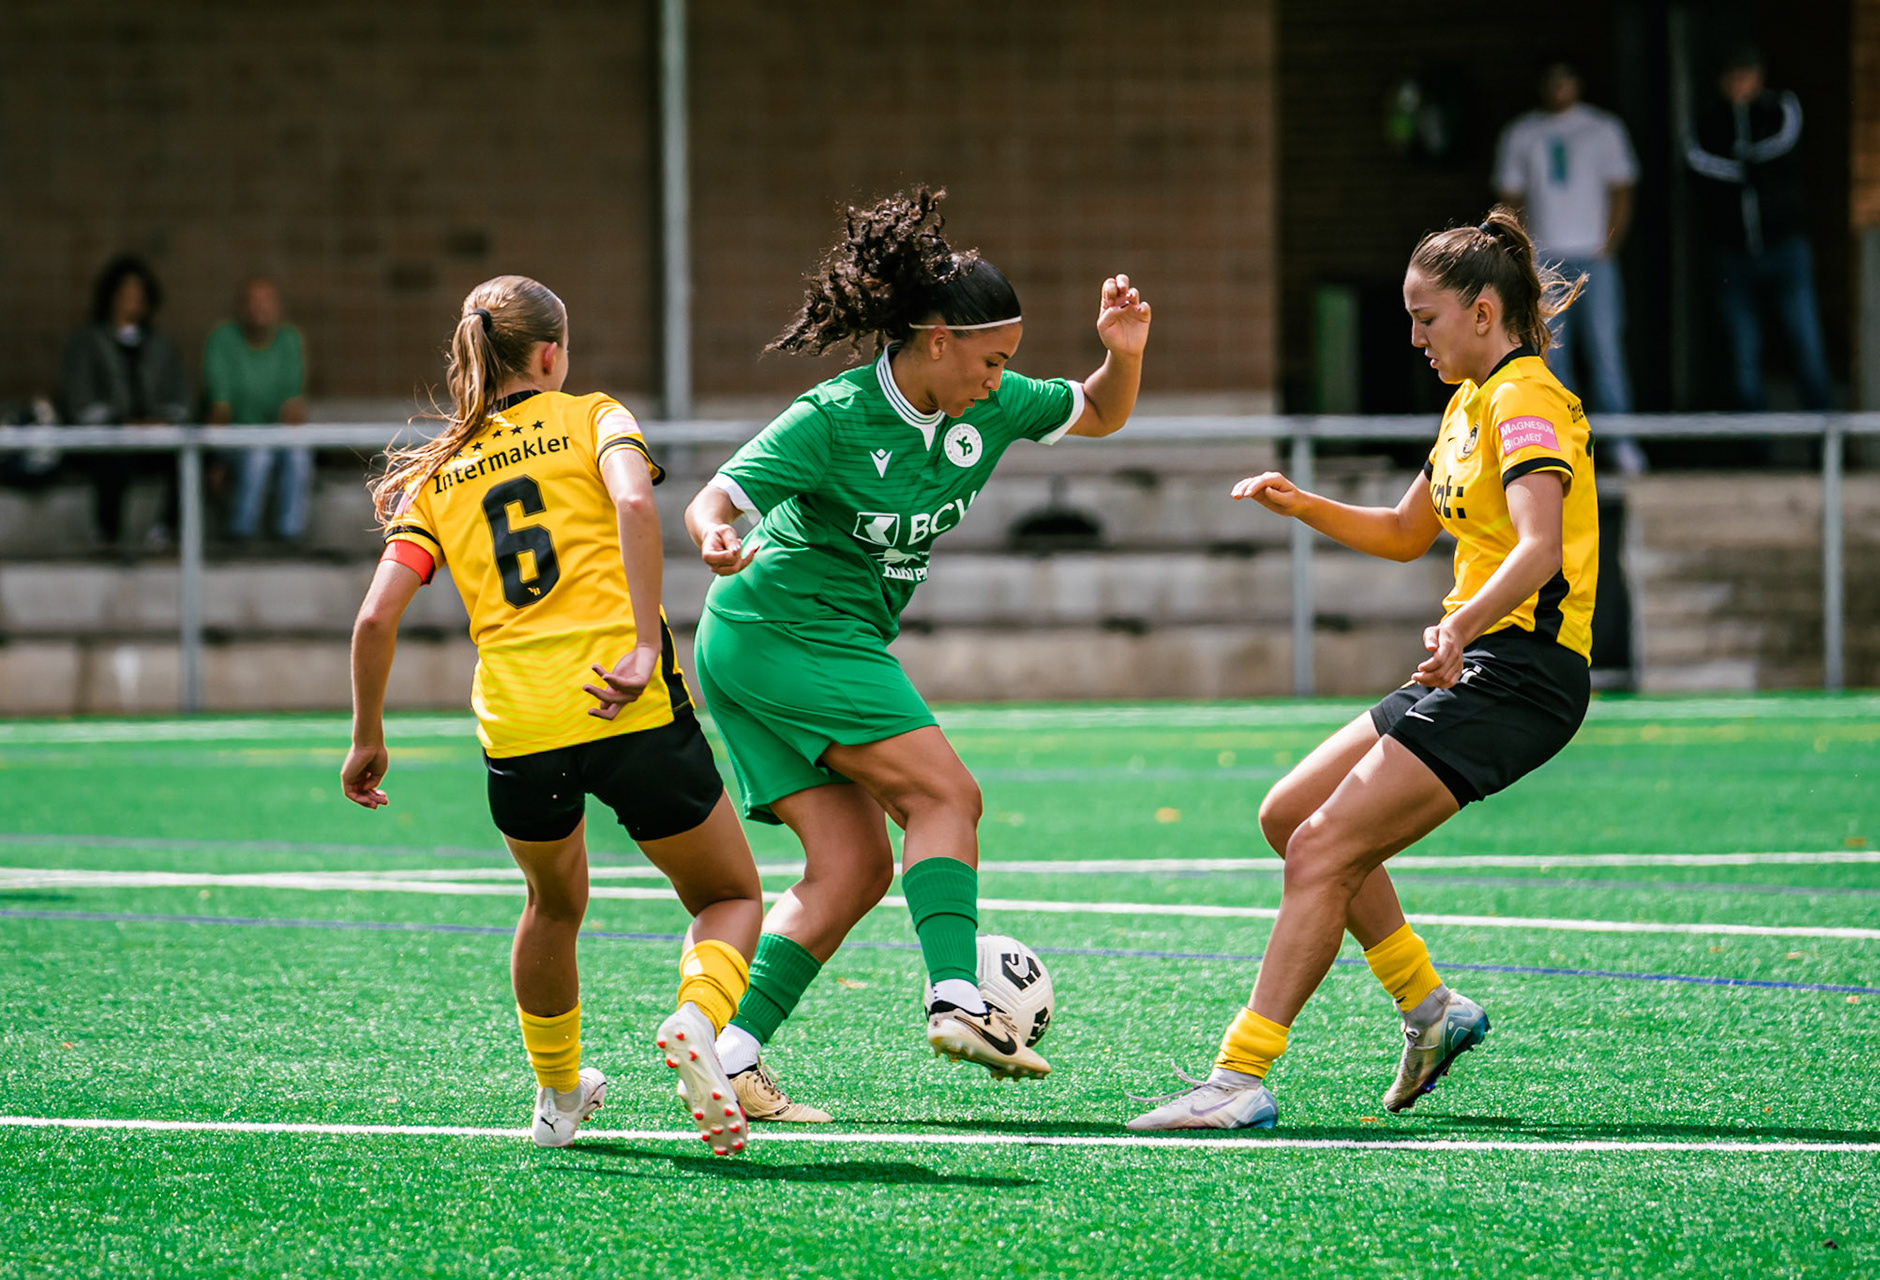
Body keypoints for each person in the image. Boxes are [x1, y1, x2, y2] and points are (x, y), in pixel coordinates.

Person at [683, 187, 1150, 1121]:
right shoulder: (834, 415)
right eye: (990, 358)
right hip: (781, 626)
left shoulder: (993, 402)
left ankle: (728, 1052)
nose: (1000, 377)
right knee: (947, 796)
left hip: (798, 640)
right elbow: (717, 497)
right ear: (936, 339)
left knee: (851, 870)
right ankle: (957, 1000)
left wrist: (1123, 354)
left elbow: (1099, 413)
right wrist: (711, 536)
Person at [1128, 208, 1596, 1130]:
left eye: (1427, 318)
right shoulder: (1470, 403)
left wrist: (1460, 624)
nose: (1415, 336)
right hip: (1483, 661)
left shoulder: (1526, 399)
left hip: (1524, 673)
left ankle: (1240, 1078)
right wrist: (1301, 504)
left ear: (1483, 311)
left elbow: (1540, 547)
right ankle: (1430, 1008)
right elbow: (1403, 532)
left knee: (1321, 848)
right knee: (1291, 815)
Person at [341, 275, 763, 1156]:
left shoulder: (441, 471)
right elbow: (636, 501)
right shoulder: (592, 416)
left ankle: (560, 1098)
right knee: (728, 893)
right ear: (549, 355)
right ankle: (696, 1018)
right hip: (624, 698)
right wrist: (645, 644)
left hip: (520, 723)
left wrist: (368, 736)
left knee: (551, 903)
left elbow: (376, 616)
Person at [1494, 61, 1644, 474]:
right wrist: (1521, 255)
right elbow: (1509, 200)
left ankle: (1620, 442)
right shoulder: (1523, 133)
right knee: (1549, 355)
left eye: (1566, 79)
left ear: (1578, 83)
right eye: (1552, 81)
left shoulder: (1603, 128)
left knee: (1606, 349)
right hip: (1543, 258)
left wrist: (1609, 246)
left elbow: (1623, 189)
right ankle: (1562, 443)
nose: (1559, 88)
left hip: (1594, 256)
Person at [1685, 44, 1832, 414]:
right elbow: (1698, 161)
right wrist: (1741, 169)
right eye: (1732, 75)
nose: (1739, 82)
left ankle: (1828, 448)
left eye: (1746, 74)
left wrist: (1747, 161)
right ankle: (1756, 455)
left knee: (1806, 345)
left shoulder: (1779, 108)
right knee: (1743, 355)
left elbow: (1783, 146)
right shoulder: (1709, 120)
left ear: (1760, 75)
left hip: (1785, 248)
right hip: (1734, 256)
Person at [58, 255, 193, 548]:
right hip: (107, 439)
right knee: (114, 457)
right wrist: (120, 422)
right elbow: (79, 401)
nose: (131, 301)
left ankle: (166, 531)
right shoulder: (87, 342)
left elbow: (181, 397)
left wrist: (162, 419)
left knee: (189, 457)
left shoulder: (160, 345)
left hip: (154, 438)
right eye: (124, 294)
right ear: (109, 297)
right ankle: (108, 535)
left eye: (138, 294)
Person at [206, 276, 311, 542]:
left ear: (278, 308)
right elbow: (220, 408)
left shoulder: (289, 340)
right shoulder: (223, 338)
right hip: (234, 438)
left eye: (266, 302)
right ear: (240, 308)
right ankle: (240, 534)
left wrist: (287, 436)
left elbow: (293, 407)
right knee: (258, 455)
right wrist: (215, 461)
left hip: (275, 436)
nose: (258, 309)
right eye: (252, 302)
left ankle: (290, 535)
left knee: (298, 455)